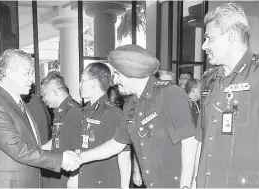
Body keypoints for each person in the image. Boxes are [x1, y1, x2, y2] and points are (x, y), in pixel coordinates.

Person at [66, 45, 197, 188]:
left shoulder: (170, 94)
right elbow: (116, 144)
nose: (114, 81)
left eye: (117, 74)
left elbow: (189, 141)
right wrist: (80, 158)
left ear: (132, 72)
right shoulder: (130, 104)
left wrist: (186, 185)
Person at [193, 3, 259, 188]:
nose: (204, 45)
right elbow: (201, 140)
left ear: (230, 36)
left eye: (209, 38)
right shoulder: (209, 80)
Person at [0, 49, 81, 188]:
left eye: (32, 73)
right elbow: (17, 149)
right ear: (8, 72)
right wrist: (61, 159)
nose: (32, 80)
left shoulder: (16, 101)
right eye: (28, 73)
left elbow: (29, 144)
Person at [67, 63, 132, 188]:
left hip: (104, 182)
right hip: (84, 180)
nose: (80, 84)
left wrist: (124, 187)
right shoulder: (85, 111)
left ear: (94, 83)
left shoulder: (112, 114)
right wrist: (73, 177)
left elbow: (124, 156)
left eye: (83, 79)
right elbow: (78, 147)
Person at [40, 72, 83, 188]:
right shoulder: (59, 111)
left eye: (44, 95)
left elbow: (79, 148)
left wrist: (74, 178)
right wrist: (37, 150)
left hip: (68, 173)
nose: (43, 99)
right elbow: (57, 139)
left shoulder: (74, 111)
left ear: (54, 92)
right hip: (58, 170)